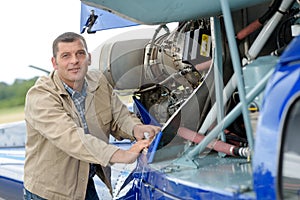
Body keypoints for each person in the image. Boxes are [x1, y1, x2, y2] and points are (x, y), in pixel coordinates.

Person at [23, 32, 161, 200]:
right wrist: (121, 155)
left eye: (80, 53)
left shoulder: (99, 81)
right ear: (54, 63)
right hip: (50, 193)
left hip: (83, 184)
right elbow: (71, 138)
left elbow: (119, 115)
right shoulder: (40, 96)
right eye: (66, 56)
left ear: (88, 58)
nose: (74, 60)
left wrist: (135, 128)